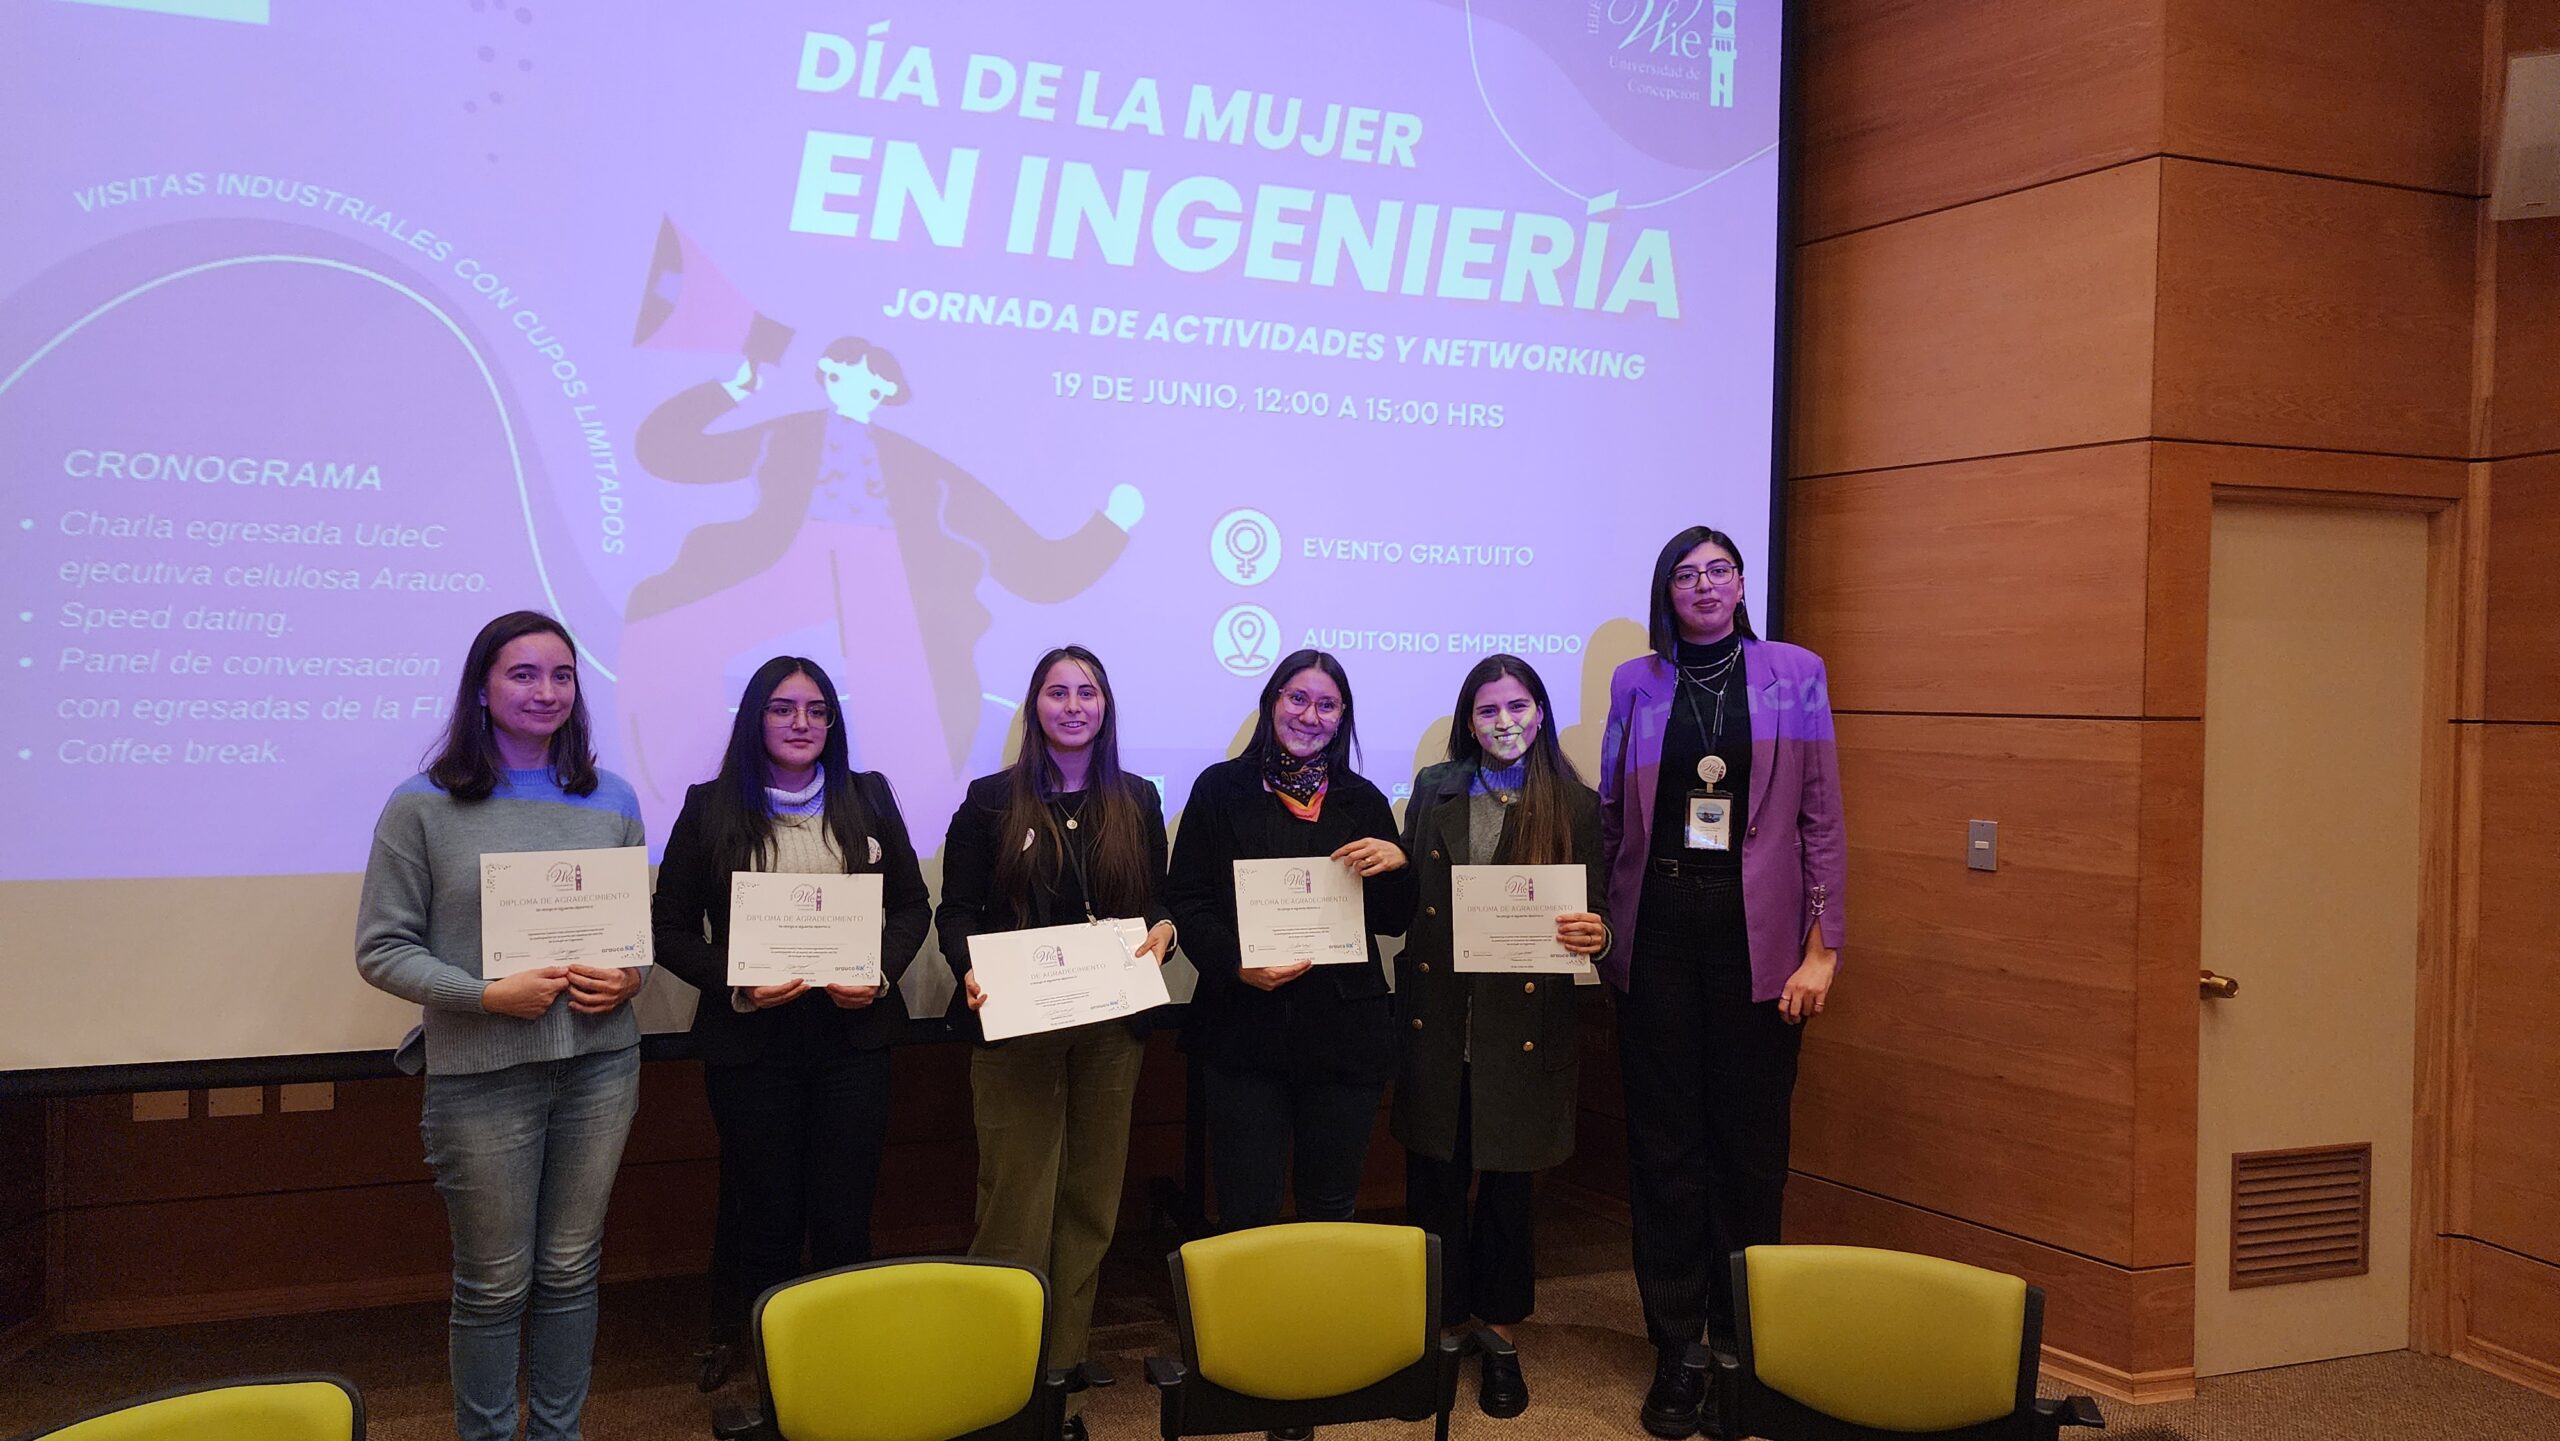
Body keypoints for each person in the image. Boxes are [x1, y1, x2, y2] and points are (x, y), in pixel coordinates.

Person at [620, 337, 1146, 834]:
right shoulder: (786, 433)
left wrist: (1110, 526)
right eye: (849, 379)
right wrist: (732, 388)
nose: (861, 394)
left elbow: (1030, 561)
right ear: (825, 376)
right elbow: (667, 450)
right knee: (666, 619)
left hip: (882, 576)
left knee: (918, 673)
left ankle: (920, 802)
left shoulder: (919, 463)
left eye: (875, 388)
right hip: (786, 562)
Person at [354, 611, 648, 1441]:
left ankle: (559, 1434)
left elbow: (637, 943)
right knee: (492, 1282)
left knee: (570, 1269)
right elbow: (381, 949)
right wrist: (486, 994)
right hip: (481, 1077)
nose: (545, 691)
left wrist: (628, 977)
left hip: (599, 1067)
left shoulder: (611, 797)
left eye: (561, 675)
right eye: (523, 674)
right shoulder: (422, 807)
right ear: (482, 688)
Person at [1596, 527, 1847, 1439]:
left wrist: (1824, 948)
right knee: (1663, 1146)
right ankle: (1679, 1349)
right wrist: (1603, 926)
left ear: (1741, 584)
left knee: (1748, 1145)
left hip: (1761, 935)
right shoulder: (1637, 681)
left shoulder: (1794, 671)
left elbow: (1821, 817)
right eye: (1683, 575)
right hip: (1657, 927)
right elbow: (1612, 816)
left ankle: (1741, 1347)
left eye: (1717, 571)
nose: (1702, 585)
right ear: (1665, 592)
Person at [649, 656, 932, 1387]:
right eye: (782, 708)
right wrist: (736, 978)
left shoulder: (867, 798)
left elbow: (910, 906)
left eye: (816, 710)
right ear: (755, 719)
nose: (801, 723)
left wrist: (876, 971)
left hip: (852, 1041)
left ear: (832, 722)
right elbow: (669, 926)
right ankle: (773, 1366)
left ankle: (843, 1362)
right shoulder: (709, 805)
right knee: (764, 1216)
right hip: (752, 1046)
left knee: (843, 1213)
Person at [936, 645, 1176, 1441]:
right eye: (1057, 692)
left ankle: (1059, 1382)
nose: (1073, 705)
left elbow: (1158, 903)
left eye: (1088, 692)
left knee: (1089, 1204)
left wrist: (1167, 929)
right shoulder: (989, 801)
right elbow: (958, 910)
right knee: (1016, 1204)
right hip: (1018, 1029)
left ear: (1105, 707)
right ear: (1034, 706)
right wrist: (970, 966)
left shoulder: (1136, 800)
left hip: (1112, 1030)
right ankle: (998, 1386)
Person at [1390, 655, 1611, 1418]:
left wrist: (1598, 932)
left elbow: (1604, 910)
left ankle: (1502, 1336)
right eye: (1488, 711)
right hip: (1440, 1017)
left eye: (1518, 706)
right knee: (1435, 1185)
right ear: (1469, 720)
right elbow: (1411, 891)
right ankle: (1440, 1333)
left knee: (1510, 1191)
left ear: (1542, 713)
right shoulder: (1434, 787)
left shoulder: (1577, 804)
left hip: (1524, 1025)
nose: (1504, 722)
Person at [1166, 649, 1417, 1234]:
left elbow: (1392, 919)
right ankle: (1249, 1329)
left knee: (1330, 1208)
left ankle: (1317, 1327)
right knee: (1246, 1209)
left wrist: (1398, 862)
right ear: (1272, 703)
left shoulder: (1363, 799)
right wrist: (1236, 963)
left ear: (1342, 716)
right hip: (1243, 1029)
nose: (1310, 715)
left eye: (1327, 704)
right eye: (1298, 698)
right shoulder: (1220, 788)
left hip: (1344, 1035)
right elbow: (1188, 899)